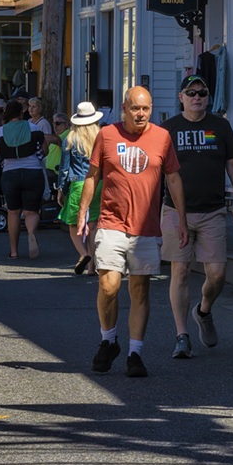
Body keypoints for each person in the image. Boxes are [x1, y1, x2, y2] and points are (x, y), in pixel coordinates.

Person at [75, 87, 186, 379]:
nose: (141, 114)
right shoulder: (107, 135)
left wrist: (182, 219)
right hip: (112, 223)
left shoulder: (162, 137)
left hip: (146, 228)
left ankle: (135, 352)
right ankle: (108, 340)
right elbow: (92, 176)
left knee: (139, 290)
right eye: (136, 108)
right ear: (124, 108)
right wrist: (83, 213)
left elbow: (173, 178)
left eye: (146, 109)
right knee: (108, 285)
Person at [159, 74, 233, 360]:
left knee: (218, 275)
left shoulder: (219, 126)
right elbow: (155, 172)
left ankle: (203, 310)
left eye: (202, 92)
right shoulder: (168, 130)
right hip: (176, 211)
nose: (197, 97)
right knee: (181, 271)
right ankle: (181, 335)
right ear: (181, 97)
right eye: (191, 92)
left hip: (212, 210)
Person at [0, 99, 47, 259]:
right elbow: (45, 150)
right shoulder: (34, 128)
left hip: (10, 174)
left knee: (13, 212)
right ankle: (31, 233)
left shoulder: (1, 132)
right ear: (21, 112)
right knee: (31, 211)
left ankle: (14, 251)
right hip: (33, 173)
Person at [57, 102, 103, 275]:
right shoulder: (101, 136)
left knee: (73, 224)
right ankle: (92, 266)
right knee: (93, 224)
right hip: (99, 183)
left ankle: (83, 255)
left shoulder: (70, 138)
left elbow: (65, 168)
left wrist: (61, 189)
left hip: (78, 184)